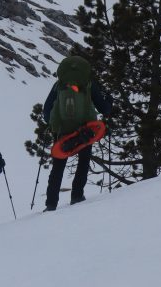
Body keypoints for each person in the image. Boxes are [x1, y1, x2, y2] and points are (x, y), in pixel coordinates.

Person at [42, 55, 113, 211]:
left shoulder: (58, 86)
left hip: (62, 131)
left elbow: (46, 111)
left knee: (58, 168)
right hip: (85, 130)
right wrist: (109, 101)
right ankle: (77, 195)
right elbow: (104, 109)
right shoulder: (88, 85)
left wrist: (53, 125)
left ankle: (51, 203)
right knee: (83, 163)